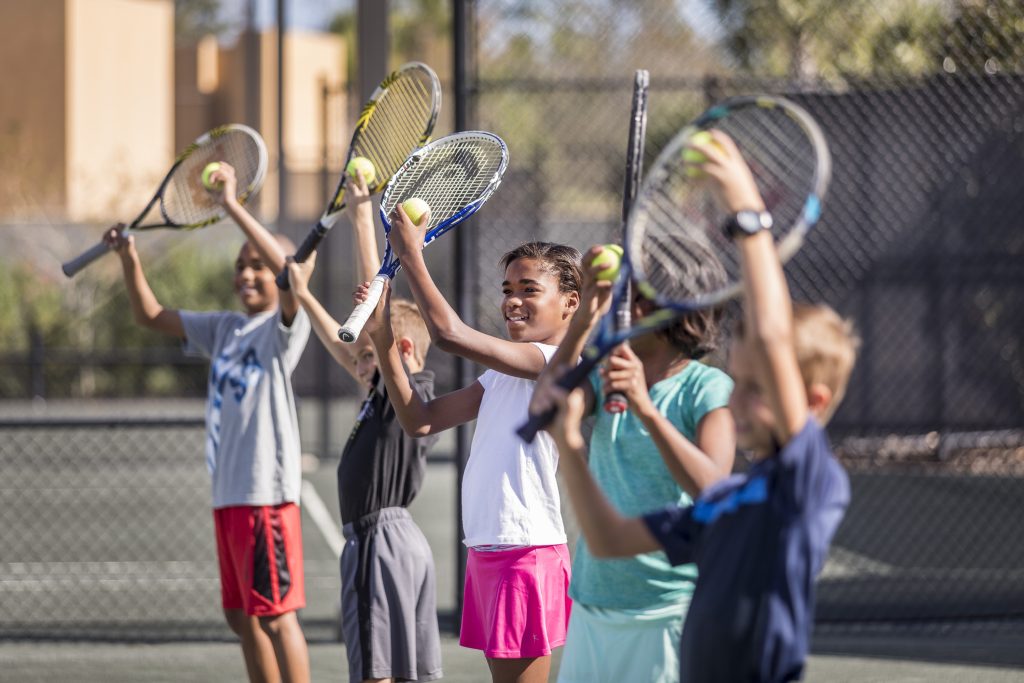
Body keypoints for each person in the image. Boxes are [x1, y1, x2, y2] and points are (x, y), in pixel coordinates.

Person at [533, 130, 858, 683]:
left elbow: (775, 338)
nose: (742, 394)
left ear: (814, 402)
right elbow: (608, 539)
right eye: (743, 379)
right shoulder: (728, 504)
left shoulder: (806, 485)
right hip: (602, 615)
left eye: (760, 387)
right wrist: (567, 444)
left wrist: (747, 216)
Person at [104, 162, 311, 683]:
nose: (246, 273)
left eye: (255, 266)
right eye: (240, 265)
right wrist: (129, 257)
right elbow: (149, 315)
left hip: (265, 496)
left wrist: (231, 206)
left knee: (277, 614)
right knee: (241, 618)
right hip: (230, 495)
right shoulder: (224, 329)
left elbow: (288, 270)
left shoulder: (284, 328)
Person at [357, 207, 582, 683]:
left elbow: (449, 334)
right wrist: (381, 338)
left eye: (529, 290)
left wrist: (411, 255)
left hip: (525, 552)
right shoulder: (502, 374)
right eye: (507, 290)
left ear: (570, 304)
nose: (513, 301)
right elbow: (420, 420)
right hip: (492, 548)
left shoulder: (553, 361)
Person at [532, 241, 735, 682]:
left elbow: (714, 490)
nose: (628, 301)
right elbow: (544, 404)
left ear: (681, 304)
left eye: (640, 293)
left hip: (669, 610)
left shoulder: (706, 388)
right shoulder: (604, 371)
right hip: (591, 602)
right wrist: (586, 312)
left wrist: (646, 407)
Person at [284, 169, 443, 683]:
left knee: (375, 672)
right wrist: (305, 298)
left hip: (379, 541)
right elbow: (347, 340)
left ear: (402, 351)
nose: (357, 363)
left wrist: (359, 217)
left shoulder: (401, 389)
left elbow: (374, 309)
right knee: (407, 671)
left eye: (367, 357)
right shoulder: (395, 397)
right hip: (401, 543)